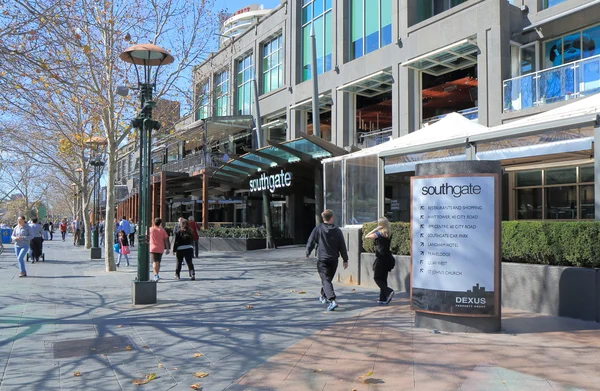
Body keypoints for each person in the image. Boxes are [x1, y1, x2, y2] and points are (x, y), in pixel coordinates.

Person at [306, 209, 349, 311]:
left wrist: (308, 251)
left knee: (325, 279)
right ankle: (323, 296)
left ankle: (332, 300)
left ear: (323, 218)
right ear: (332, 218)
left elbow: (311, 241)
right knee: (327, 279)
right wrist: (345, 259)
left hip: (322, 259)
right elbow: (342, 246)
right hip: (334, 259)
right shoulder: (338, 231)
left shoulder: (318, 229)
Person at [364, 217, 395, 305]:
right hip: (388, 257)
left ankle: (388, 291)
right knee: (383, 278)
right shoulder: (388, 233)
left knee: (377, 278)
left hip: (381, 258)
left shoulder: (378, 234)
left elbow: (366, 236)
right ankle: (383, 298)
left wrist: (375, 229)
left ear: (380, 224)